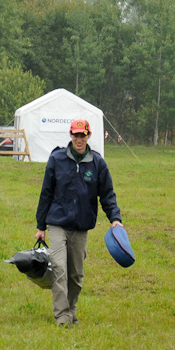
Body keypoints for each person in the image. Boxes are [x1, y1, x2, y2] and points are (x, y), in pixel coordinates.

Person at [34, 119, 123, 327]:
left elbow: (107, 194)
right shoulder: (56, 159)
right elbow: (46, 193)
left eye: (83, 135)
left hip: (81, 227)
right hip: (57, 223)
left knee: (75, 275)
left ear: (89, 136)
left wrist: (115, 219)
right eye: (75, 135)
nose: (79, 139)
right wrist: (41, 227)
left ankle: (72, 309)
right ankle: (62, 316)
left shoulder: (98, 163)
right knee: (59, 268)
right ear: (70, 135)